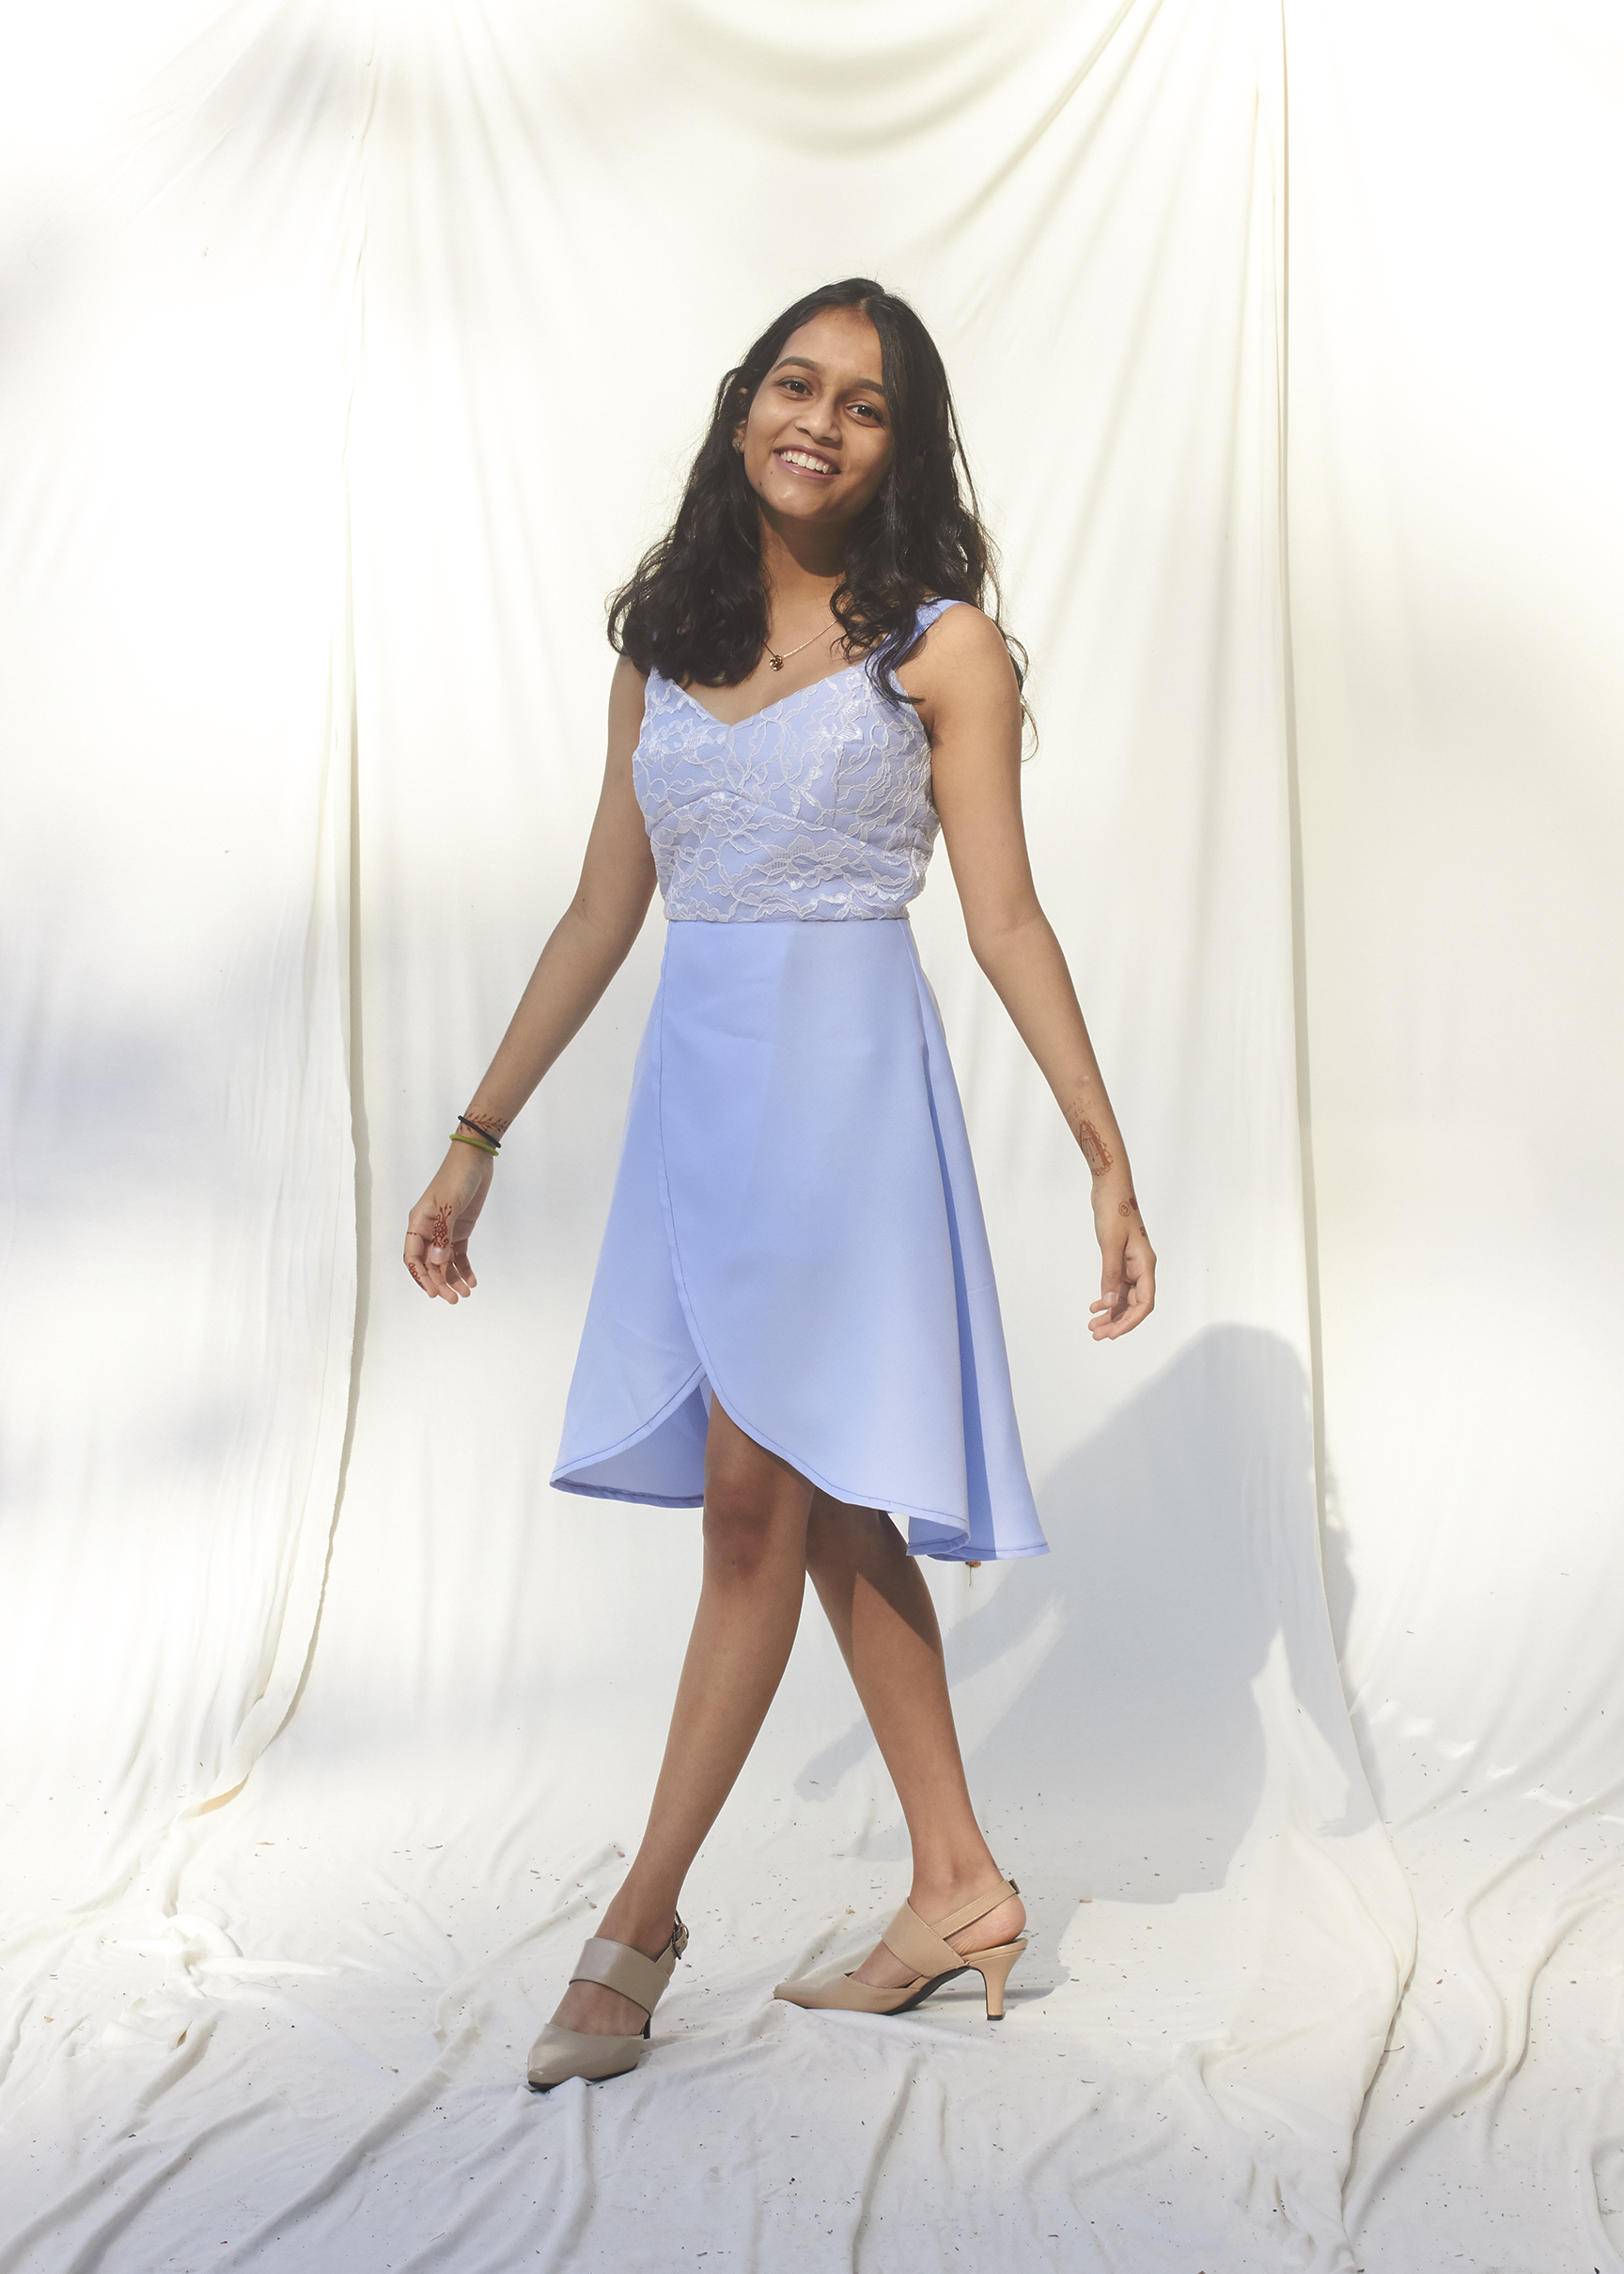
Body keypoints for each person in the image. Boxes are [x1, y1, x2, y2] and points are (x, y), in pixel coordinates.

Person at [403, 278, 1155, 2092]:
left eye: (870, 404)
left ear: (905, 448)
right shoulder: (660, 648)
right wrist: (477, 1134)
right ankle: (961, 1883)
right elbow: (606, 909)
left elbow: (1005, 916)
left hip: (842, 1112)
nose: (823, 418)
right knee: (821, 1509)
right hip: (701, 1110)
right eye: (796, 383)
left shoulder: (941, 648)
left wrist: (1103, 1154)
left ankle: (636, 1929)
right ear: (744, 406)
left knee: (759, 1508)